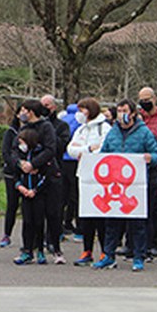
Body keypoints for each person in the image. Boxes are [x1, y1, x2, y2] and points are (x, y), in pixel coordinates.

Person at [93, 99, 157, 272]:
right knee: (111, 222)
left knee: (137, 224)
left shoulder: (144, 133)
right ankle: (108, 255)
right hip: (114, 185)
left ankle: (138, 257)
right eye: (120, 110)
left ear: (132, 113)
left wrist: (149, 158)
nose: (122, 114)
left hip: (135, 186)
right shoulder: (112, 133)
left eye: (125, 110)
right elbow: (104, 154)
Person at [17, 99, 65, 264]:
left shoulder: (46, 127)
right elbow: (15, 150)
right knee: (30, 217)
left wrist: (34, 164)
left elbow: (50, 149)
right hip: (29, 178)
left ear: (31, 111)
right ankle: (28, 249)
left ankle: (56, 249)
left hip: (49, 176)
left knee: (52, 214)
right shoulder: (24, 128)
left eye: (24, 110)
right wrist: (21, 164)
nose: (22, 113)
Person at [66, 97, 111, 266]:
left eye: (82, 109)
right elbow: (71, 149)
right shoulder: (81, 129)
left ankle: (105, 252)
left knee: (100, 215)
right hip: (83, 176)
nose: (79, 114)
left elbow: (103, 149)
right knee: (85, 215)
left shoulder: (104, 128)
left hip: (100, 178)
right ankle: (87, 250)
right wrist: (86, 149)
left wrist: (87, 150)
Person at [136, 87, 157, 260]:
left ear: (154, 99)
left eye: (147, 99)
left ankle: (156, 243)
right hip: (139, 167)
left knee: (156, 206)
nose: (144, 102)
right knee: (141, 205)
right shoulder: (137, 118)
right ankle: (139, 243)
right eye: (142, 99)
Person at [12, 128, 48, 265]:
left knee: (39, 222)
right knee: (27, 223)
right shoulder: (19, 157)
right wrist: (20, 187)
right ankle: (27, 251)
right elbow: (15, 174)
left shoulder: (40, 155)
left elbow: (46, 175)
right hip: (25, 193)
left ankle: (40, 250)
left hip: (38, 194)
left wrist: (36, 190)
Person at [40, 95, 70, 254]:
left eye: (47, 105)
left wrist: (49, 132)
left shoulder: (62, 126)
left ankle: (53, 240)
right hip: (38, 170)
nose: (45, 108)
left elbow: (60, 146)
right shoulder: (35, 125)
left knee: (55, 210)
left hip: (56, 170)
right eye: (42, 105)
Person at [0, 103, 24, 248]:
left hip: (29, 173)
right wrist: (17, 165)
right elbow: (6, 152)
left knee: (29, 208)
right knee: (12, 205)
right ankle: (7, 234)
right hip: (12, 174)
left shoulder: (36, 130)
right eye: (21, 111)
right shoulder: (11, 132)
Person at [60, 103, 82, 240]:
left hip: (63, 159)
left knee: (62, 195)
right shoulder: (80, 122)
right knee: (76, 195)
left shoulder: (62, 120)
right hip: (75, 160)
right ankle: (79, 228)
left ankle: (62, 226)